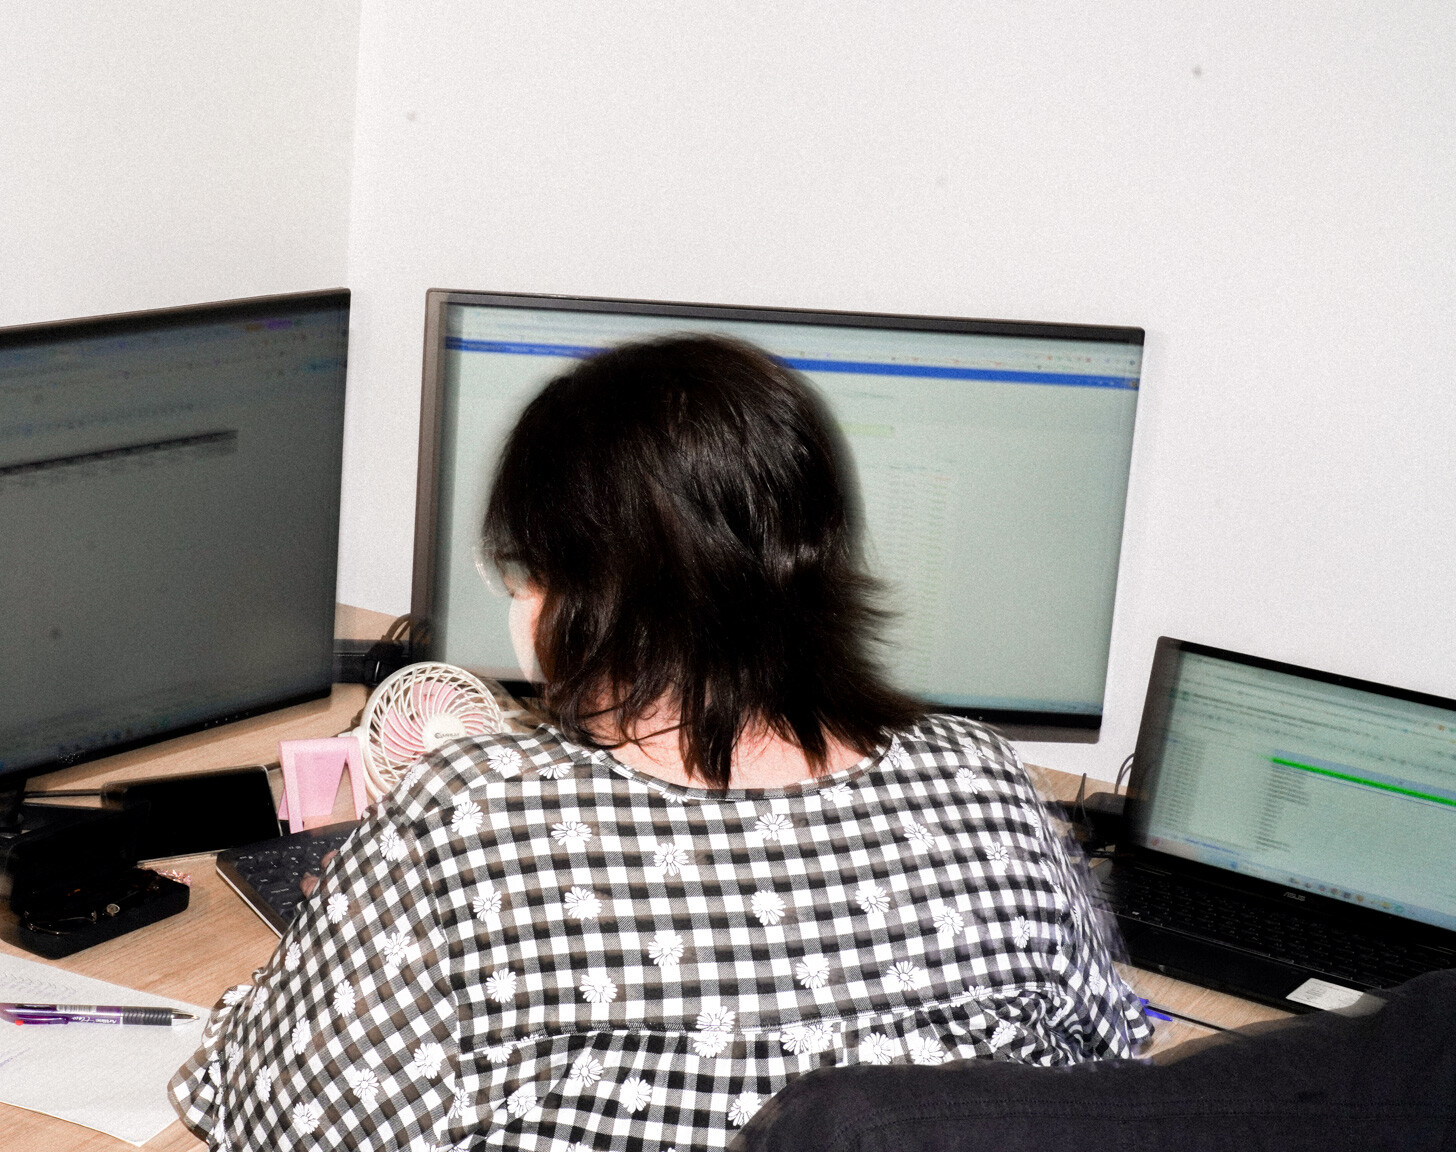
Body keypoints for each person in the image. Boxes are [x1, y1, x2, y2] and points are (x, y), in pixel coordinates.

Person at [170, 334, 1152, 1151]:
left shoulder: (474, 815)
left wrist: (274, 997)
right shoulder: (980, 779)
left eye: (527, 568)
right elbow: (1108, 1073)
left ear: (593, 596)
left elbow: (272, 1122)